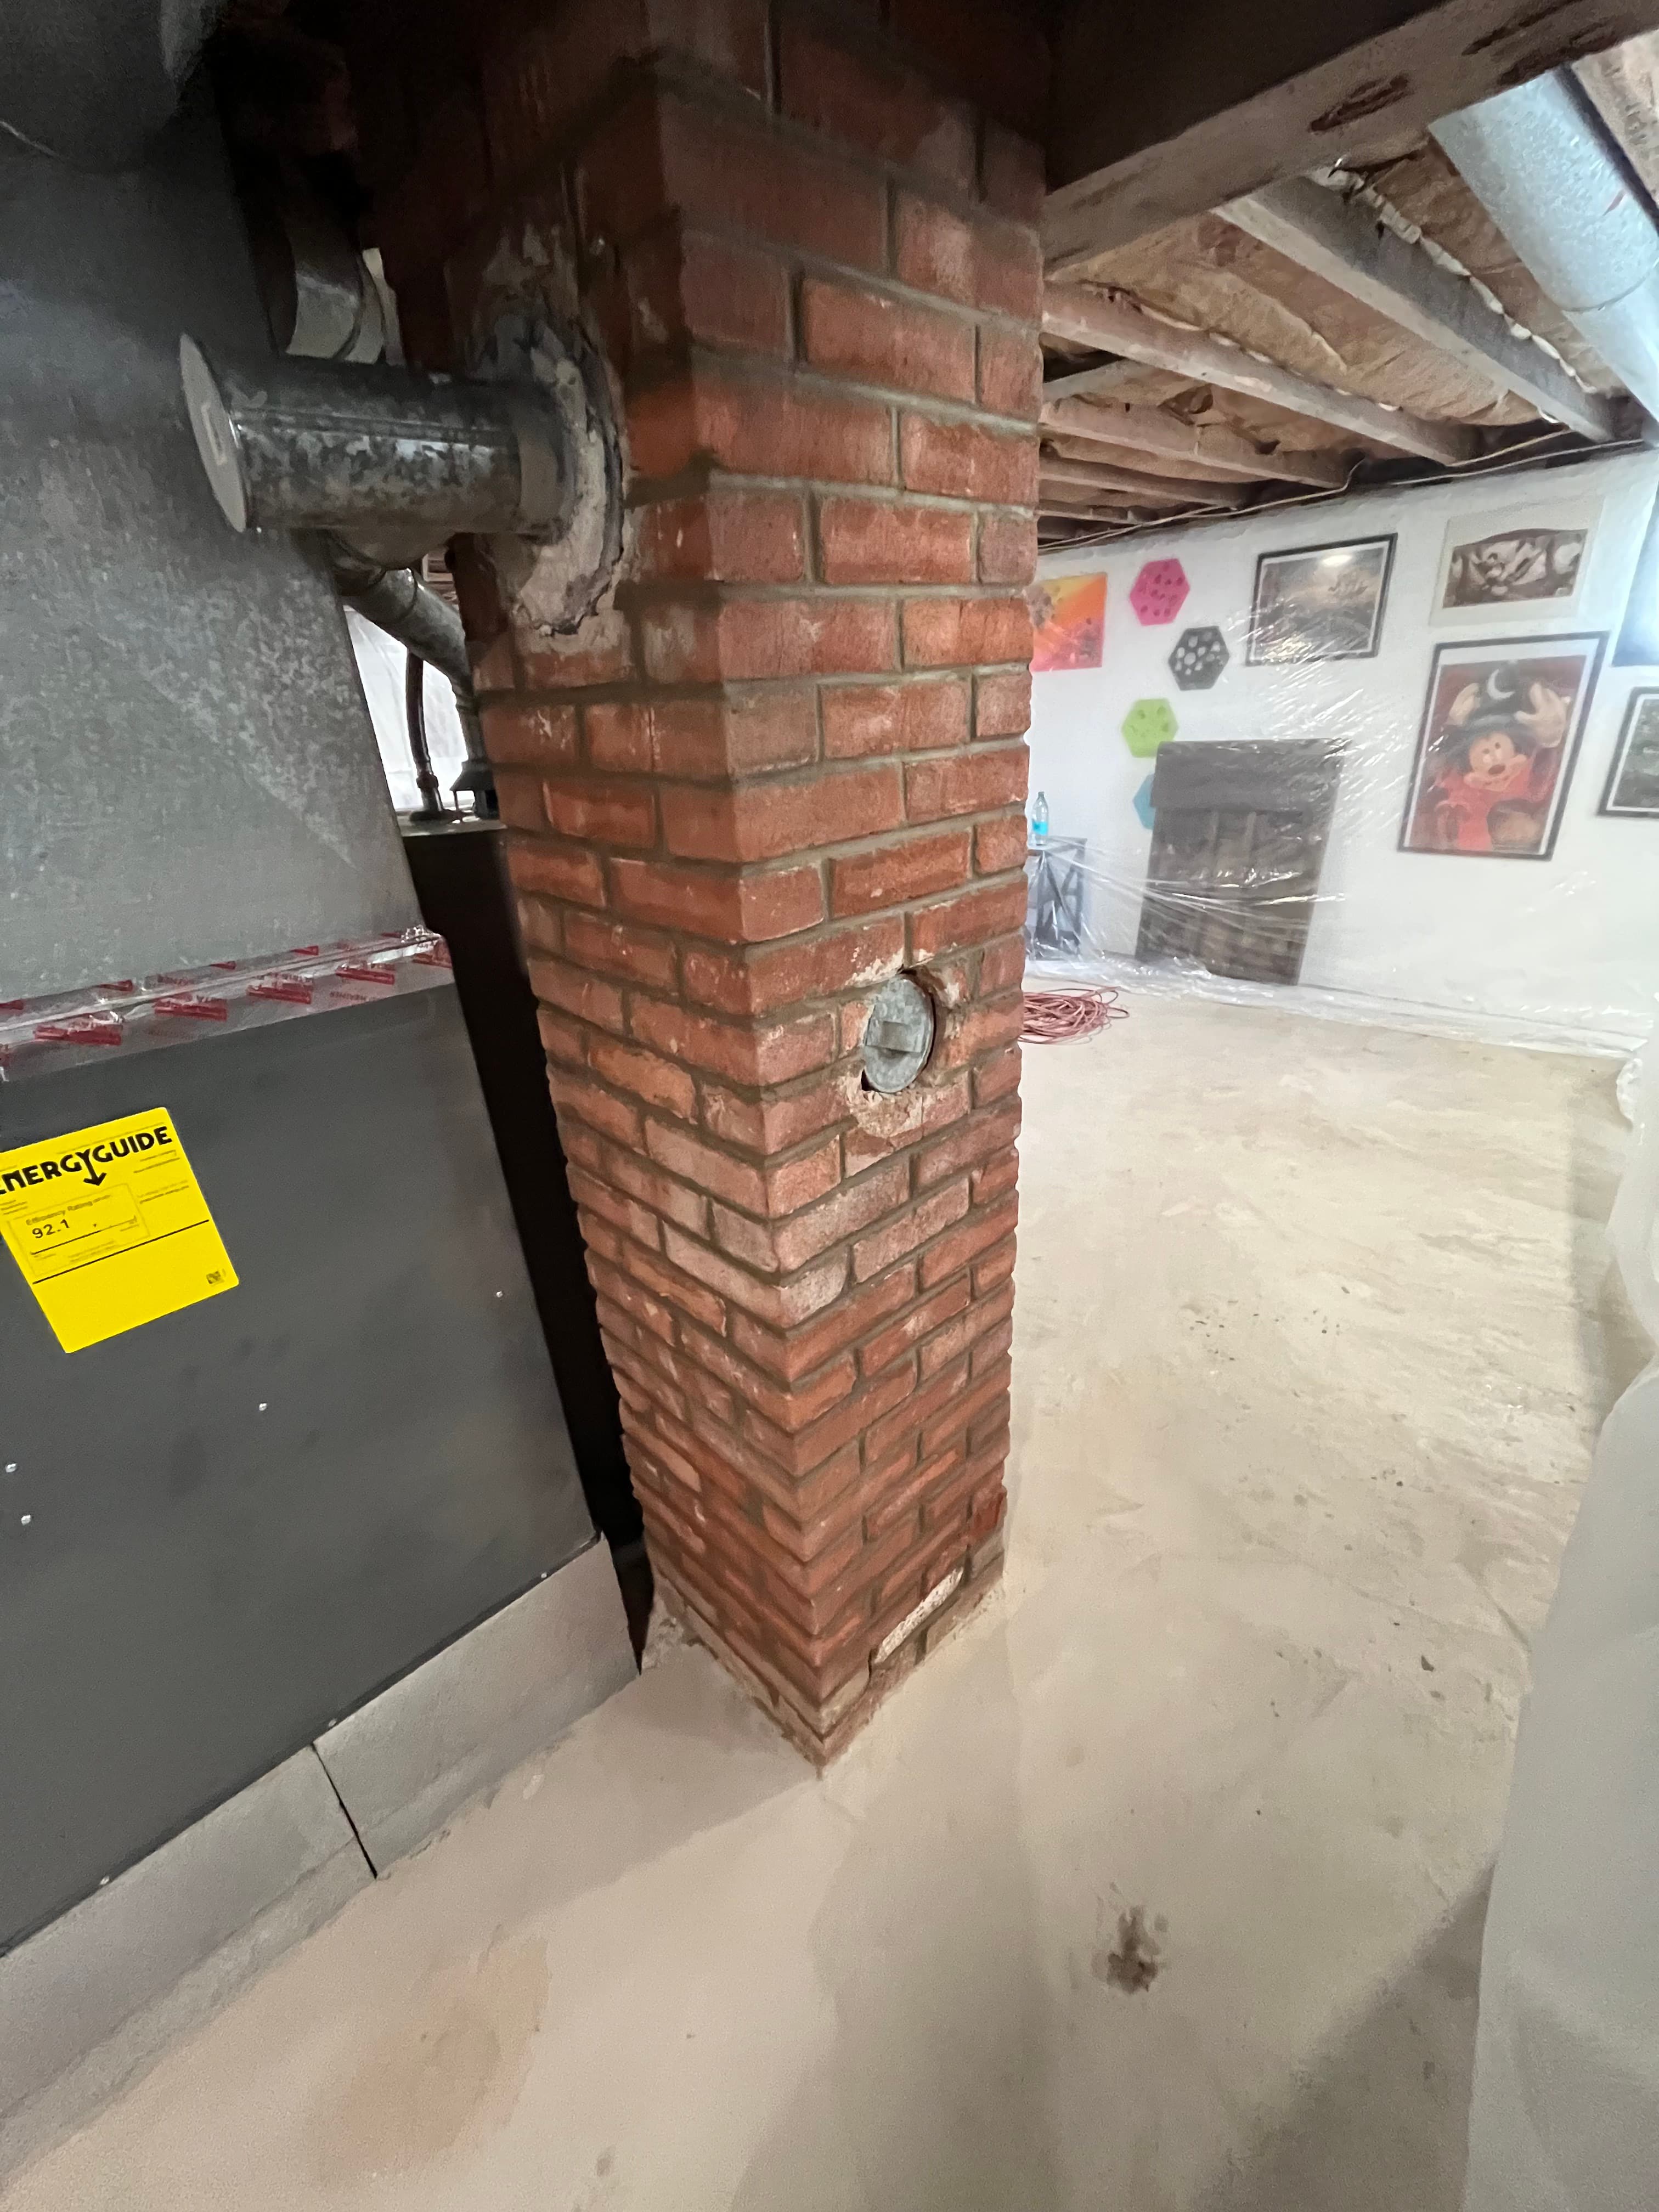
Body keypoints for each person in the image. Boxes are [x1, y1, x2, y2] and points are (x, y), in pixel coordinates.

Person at [1410, 663, 1571, 853]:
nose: (1492, 756)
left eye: (1497, 746)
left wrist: (1551, 743)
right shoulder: (1465, 790)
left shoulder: (1534, 780)